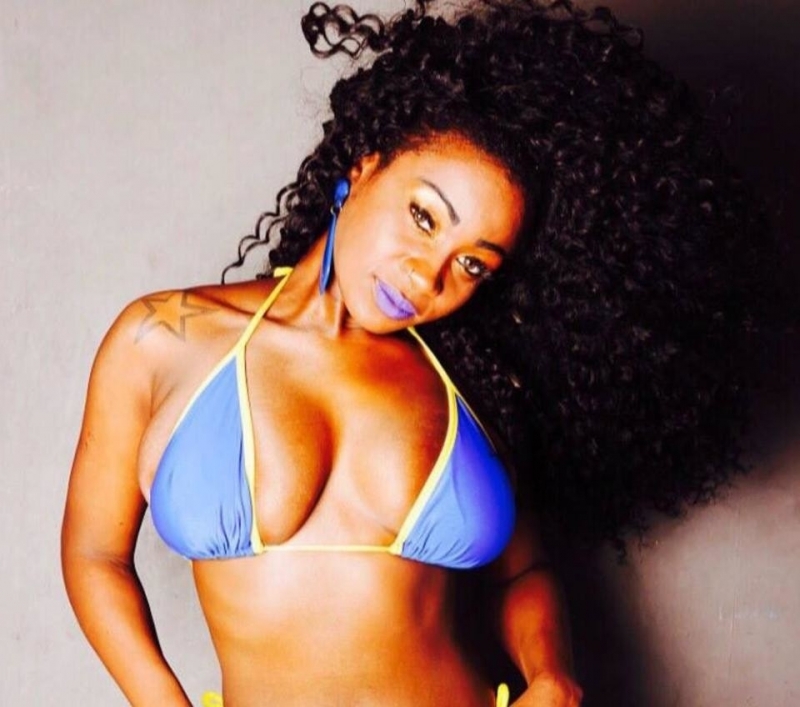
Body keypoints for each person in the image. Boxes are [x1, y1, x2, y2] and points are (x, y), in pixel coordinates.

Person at [61, 1, 779, 705]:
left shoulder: (472, 382)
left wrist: (551, 674)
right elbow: (94, 553)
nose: (427, 276)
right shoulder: (164, 338)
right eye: (423, 216)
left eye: (472, 264)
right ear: (365, 164)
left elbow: (522, 573)